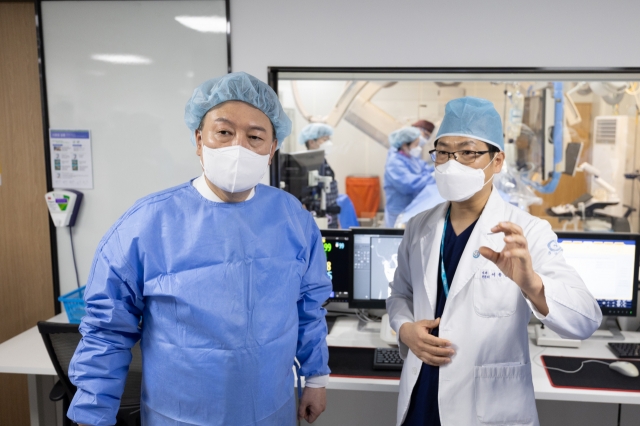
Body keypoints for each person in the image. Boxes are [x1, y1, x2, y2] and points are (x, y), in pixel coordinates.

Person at [67, 72, 331, 426]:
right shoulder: (145, 225)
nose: (238, 147)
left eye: (255, 137)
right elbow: (106, 330)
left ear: (271, 150)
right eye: (224, 132)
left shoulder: (293, 219)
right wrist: (91, 416)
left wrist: (315, 379)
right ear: (198, 139)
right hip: (178, 415)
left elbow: (309, 306)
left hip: (271, 409)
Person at [387, 97, 602, 426]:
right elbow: (399, 294)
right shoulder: (419, 227)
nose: (451, 163)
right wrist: (405, 329)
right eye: (443, 152)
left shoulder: (528, 231)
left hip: (487, 408)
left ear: (497, 160)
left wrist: (532, 284)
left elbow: (586, 319)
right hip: (421, 398)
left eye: (468, 152)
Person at [383, 127, 435, 227]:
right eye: (416, 145)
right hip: (398, 211)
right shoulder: (394, 163)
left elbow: (423, 169)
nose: (418, 148)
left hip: (411, 208)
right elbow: (408, 184)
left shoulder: (410, 157)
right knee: (397, 239)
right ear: (404, 145)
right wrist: (432, 177)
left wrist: (438, 168)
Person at [298, 123, 340, 228]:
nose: (329, 143)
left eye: (329, 139)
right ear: (311, 142)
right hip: (317, 220)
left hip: (330, 219)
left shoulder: (323, 162)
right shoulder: (304, 165)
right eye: (325, 139)